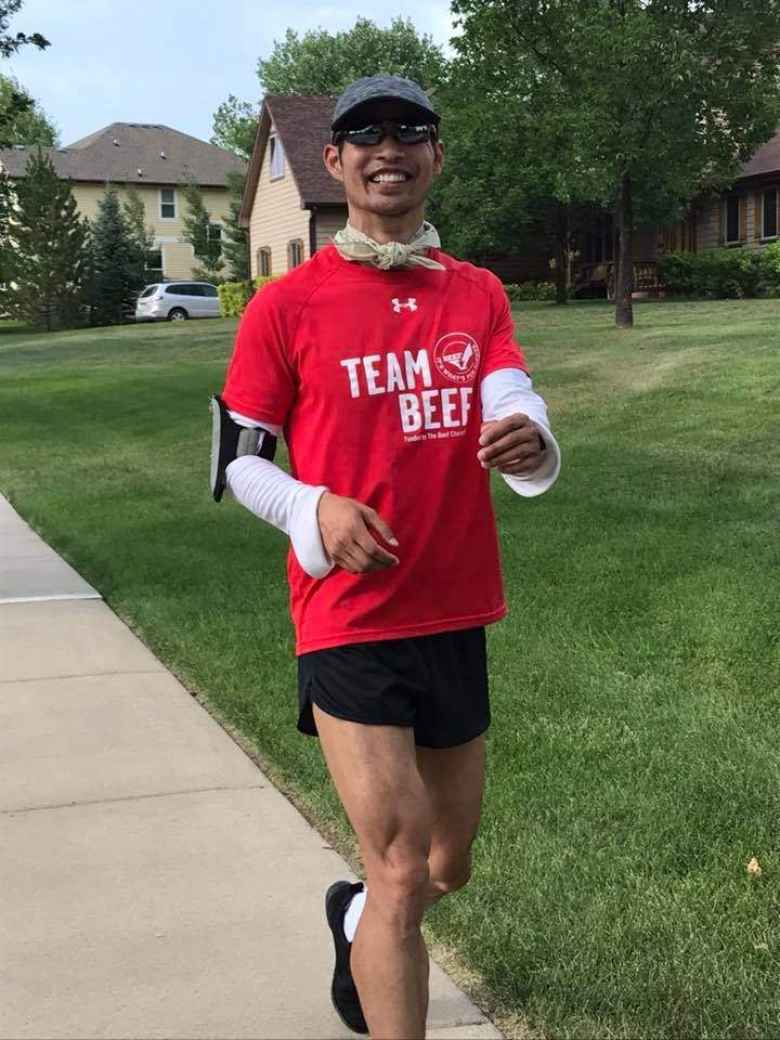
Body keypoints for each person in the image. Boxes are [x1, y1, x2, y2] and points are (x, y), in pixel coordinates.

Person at [214, 75, 561, 1040]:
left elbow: (509, 391)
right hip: (350, 618)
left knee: (447, 863)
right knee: (404, 867)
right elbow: (238, 465)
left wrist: (529, 434)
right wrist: (310, 506)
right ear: (334, 163)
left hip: (454, 606)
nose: (388, 148)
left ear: (435, 157)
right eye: (365, 135)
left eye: (411, 132)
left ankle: (354, 918)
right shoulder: (286, 307)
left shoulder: (477, 291)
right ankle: (380, 921)